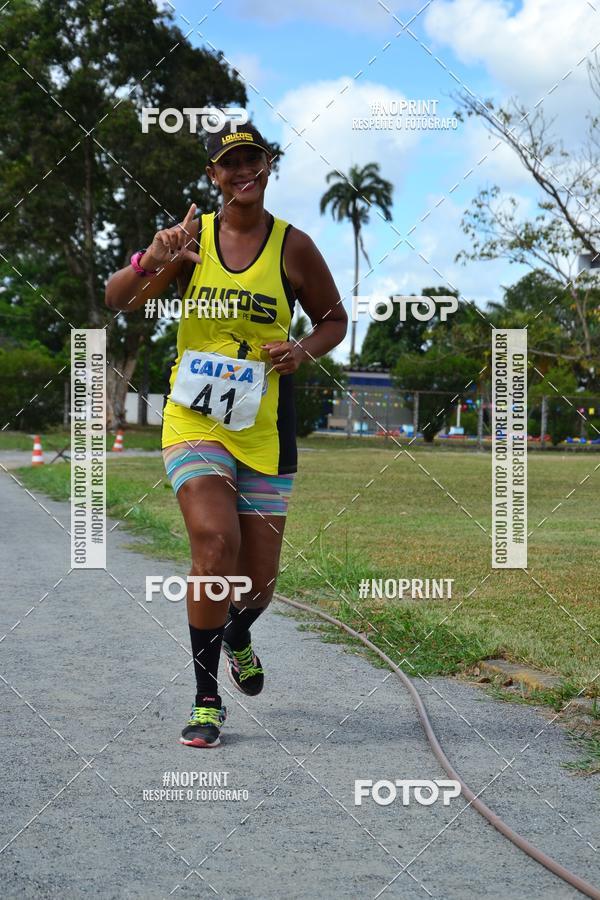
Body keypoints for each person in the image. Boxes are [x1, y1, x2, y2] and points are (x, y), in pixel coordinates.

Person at [105, 121, 347, 748]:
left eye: (253, 161)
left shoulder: (294, 247)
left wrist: (302, 349)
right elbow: (118, 298)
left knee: (259, 583)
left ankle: (238, 632)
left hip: (265, 425)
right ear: (212, 175)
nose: (243, 172)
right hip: (195, 420)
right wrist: (151, 260)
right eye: (229, 164)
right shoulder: (191, 239)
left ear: (267, 167)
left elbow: (334, 319)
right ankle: (206, 697)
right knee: (215, 544)